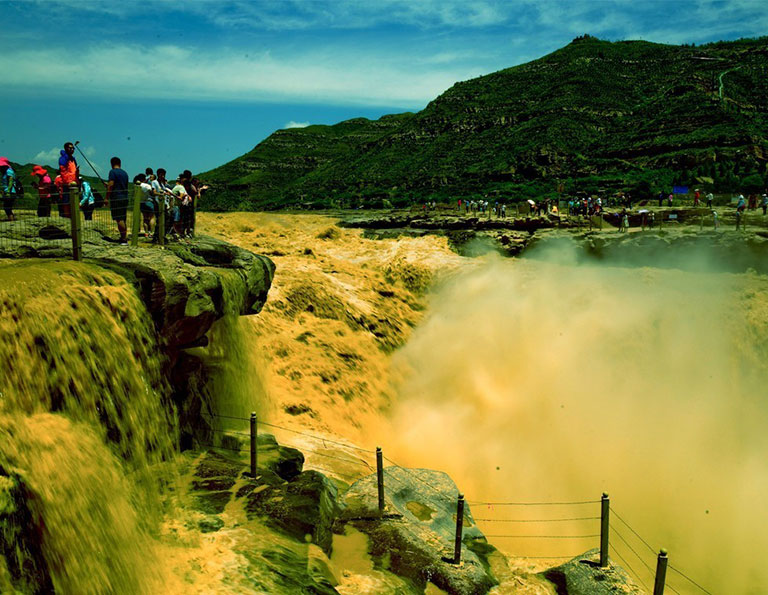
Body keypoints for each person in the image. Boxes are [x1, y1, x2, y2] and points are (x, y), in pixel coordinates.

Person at [105, 156, 129, 244]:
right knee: (123, 218)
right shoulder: (125, 173)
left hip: (116, 198)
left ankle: (123, 239)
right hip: (124, 197)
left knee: (119, 219)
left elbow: (111, 185)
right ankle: (124, 237)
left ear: (111, 164)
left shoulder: (112, 172)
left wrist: (106, 197)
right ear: (120, 163)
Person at [58, 142, 79, 218]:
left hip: (74, 183)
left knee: (74, 203)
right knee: (67, 202)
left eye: (73, 148)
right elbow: (63, 172)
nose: (72, 149)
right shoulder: (63, 159)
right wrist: (68, 182)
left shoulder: (73, 159)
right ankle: (67, 218)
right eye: (70, 148)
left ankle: (73, 218)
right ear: (66, 148)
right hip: (68, 185)